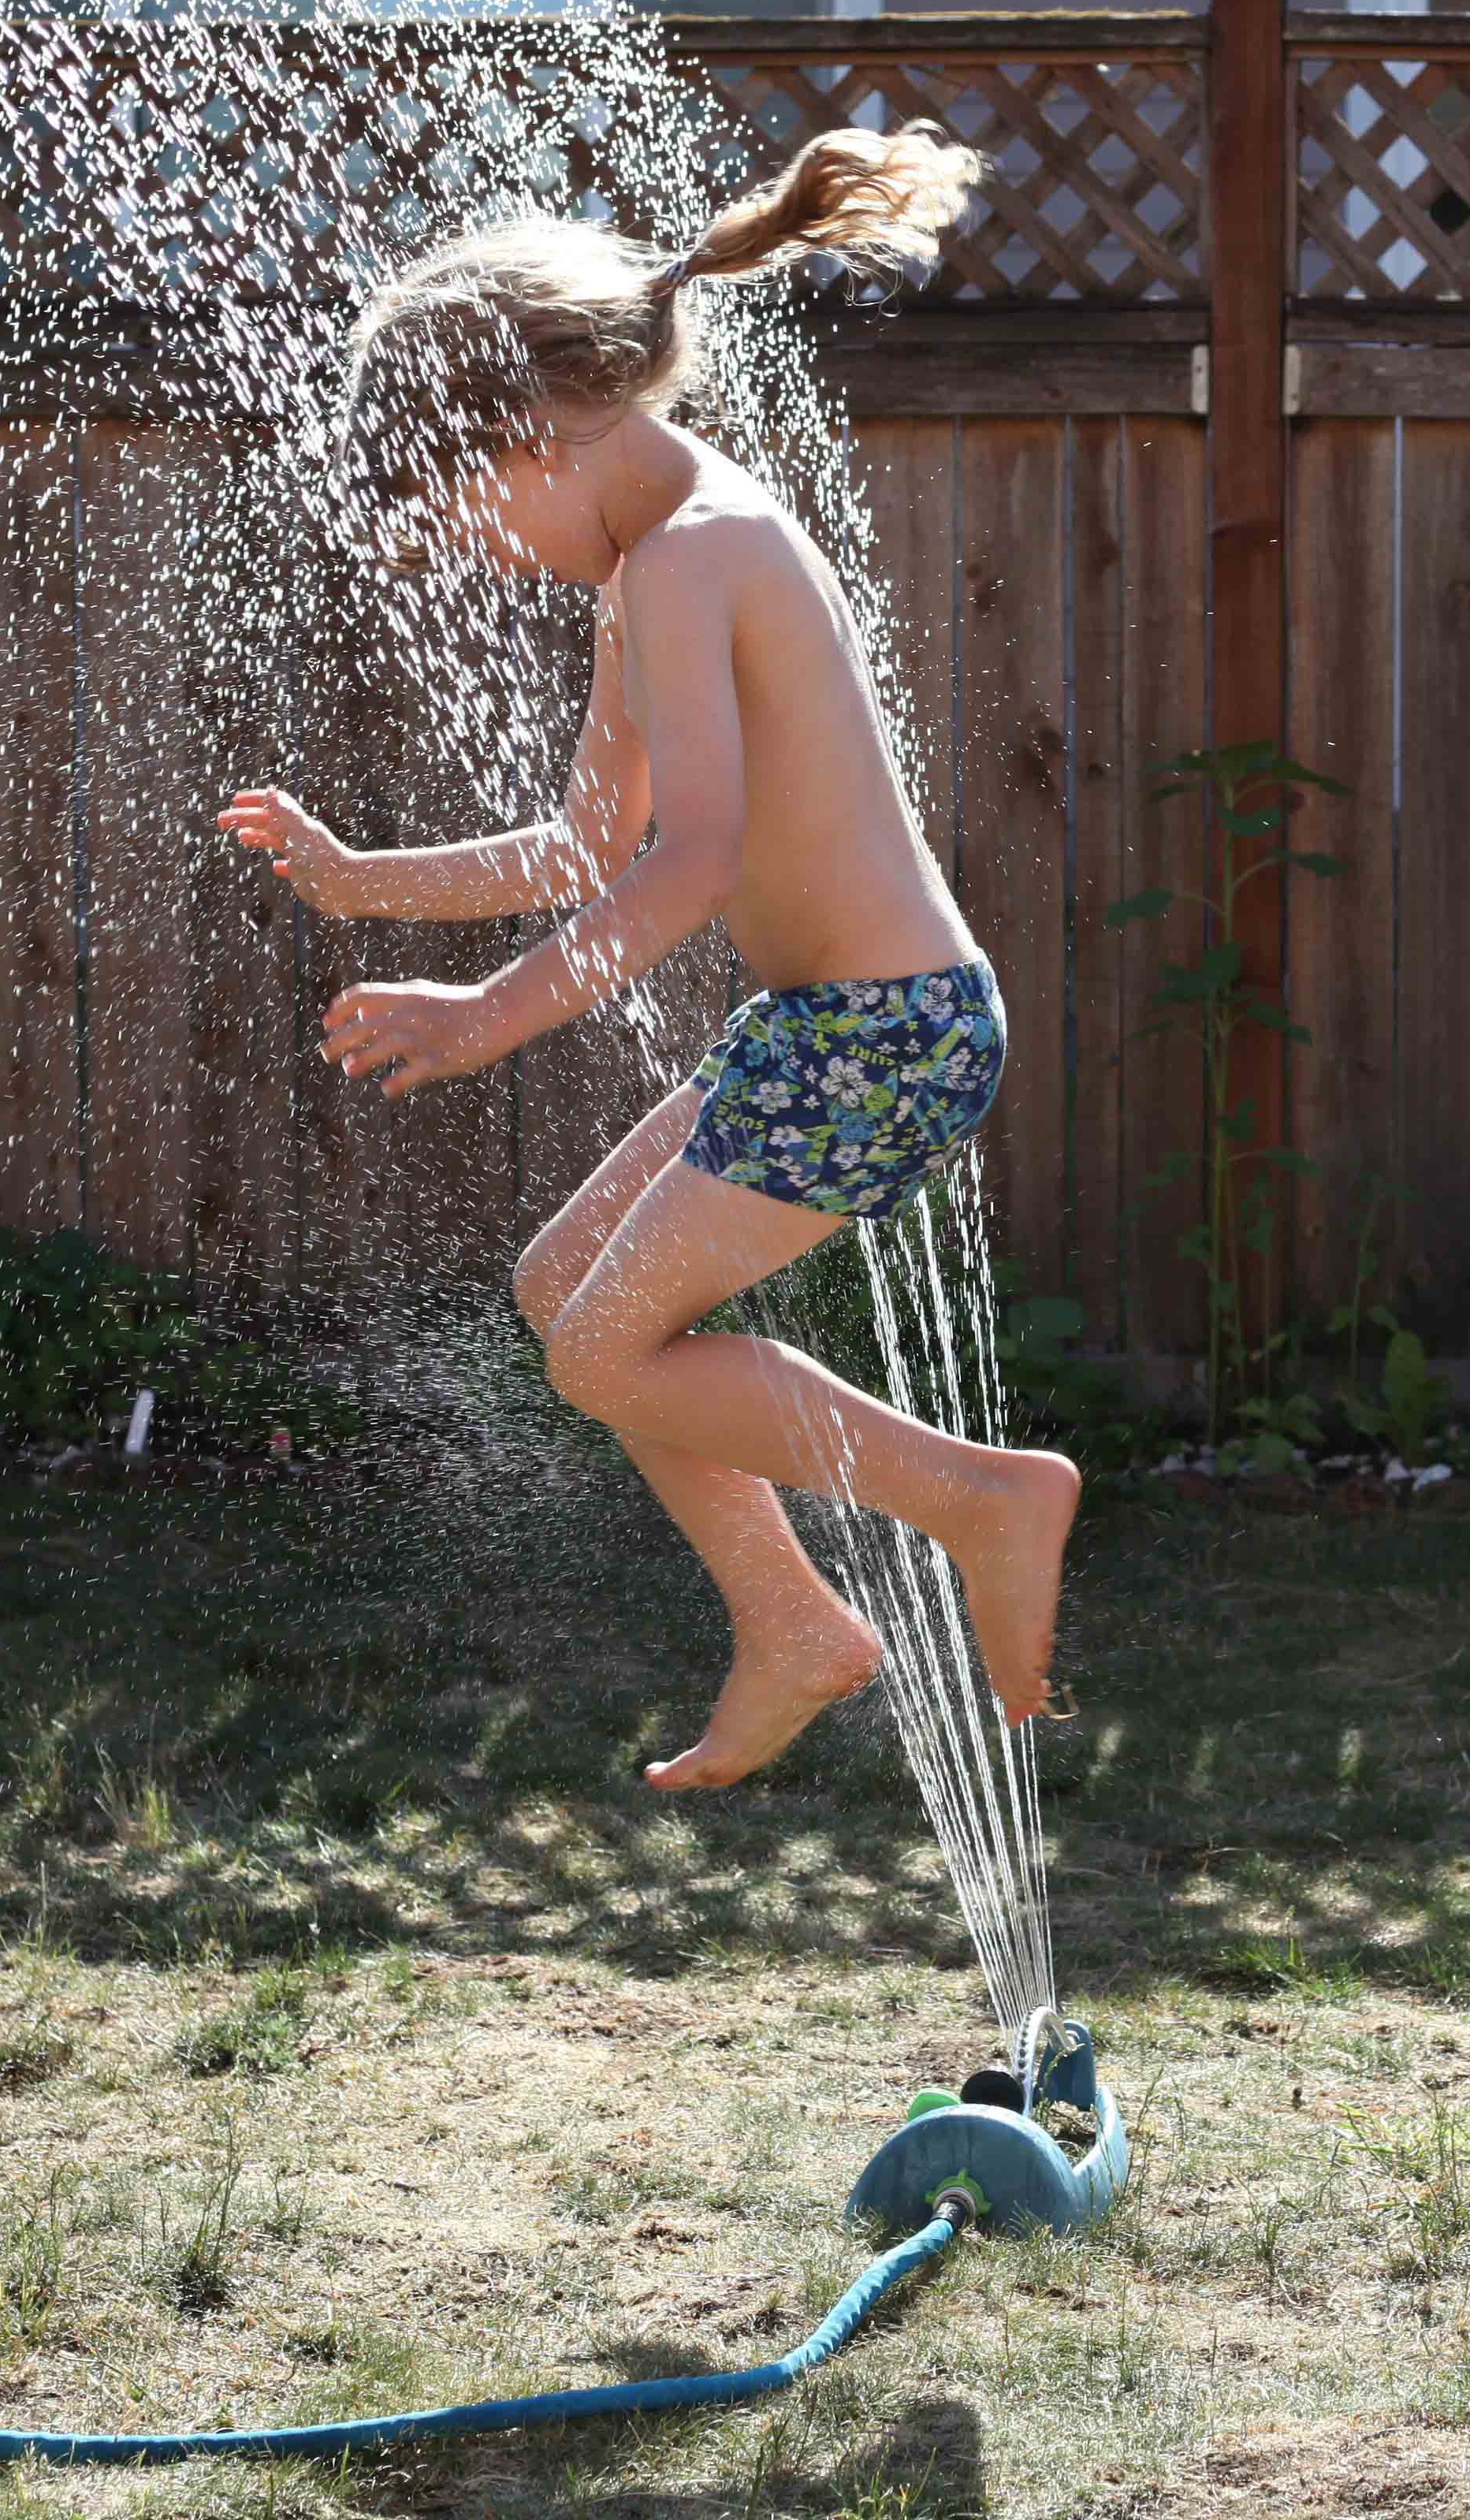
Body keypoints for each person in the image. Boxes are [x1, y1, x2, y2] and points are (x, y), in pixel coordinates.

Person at [214, 125, 1076, 1790]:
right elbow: (580, 847)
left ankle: (981, 1496)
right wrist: (358, 882)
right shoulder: (648, 570)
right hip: (826, 1023)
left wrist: (492, 1017)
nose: (477, 553)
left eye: (466, 514)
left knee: (606, 1350)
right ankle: (796, 1624)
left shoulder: (700, 555)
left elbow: (702, 858)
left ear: (534, 435)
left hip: (891, 1033)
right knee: (566, 1298)